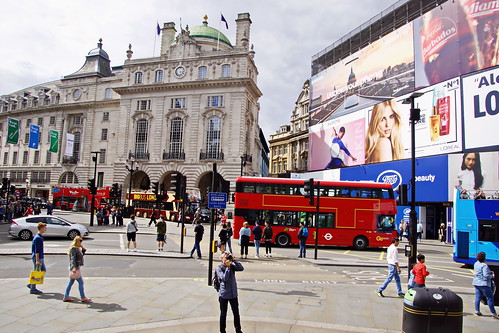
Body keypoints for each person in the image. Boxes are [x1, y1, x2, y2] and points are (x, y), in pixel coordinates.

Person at [365, 99, 404, 164]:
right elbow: (388, 173)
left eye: (391, 117)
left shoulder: (374, 145)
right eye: (382, 119)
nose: (387, 124)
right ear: (376, 121)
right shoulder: (384, 143)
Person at [216, 251, 244, 333]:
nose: (227, 259)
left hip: (233, 294)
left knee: (236, 313)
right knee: (223, 314)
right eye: (225, 257)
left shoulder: (232, 266)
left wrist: (234, 260)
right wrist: (227, 268)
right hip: (224, 294)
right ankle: (222, 330)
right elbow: (225, 279)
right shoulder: (219, 268)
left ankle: (238, 329)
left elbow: (241, 268)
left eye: (227, 257)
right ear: (222, 259)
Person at [63, 236, 91, 302]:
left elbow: (82, 254)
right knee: (81, 282)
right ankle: (83, 297)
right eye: (80, 241)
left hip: (75, 267)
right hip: (75, 267)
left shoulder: (77, 248)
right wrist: (74, 267)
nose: (81, 242)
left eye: (81, 240)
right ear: (77, 241)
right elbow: (73, 259)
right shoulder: (73, 249)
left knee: (70, 283)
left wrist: (82, 247)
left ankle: (66, 296)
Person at [473, 252, 499, 319]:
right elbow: (486, 275)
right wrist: (492, 275)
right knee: (490, 298)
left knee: (478, 297)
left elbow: (479, 272)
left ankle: (477, 311)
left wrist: (488, 272)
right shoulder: (484, 265)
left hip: (476, 283)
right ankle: (494, 313)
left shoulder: (476, 263)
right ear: (484, 258)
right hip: (484, 284)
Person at [29, 222, 47, 294]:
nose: (45, 229)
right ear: (41, 228)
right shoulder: (38, 238)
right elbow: (37, 250)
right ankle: (33, 288)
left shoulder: (38, 236)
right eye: (45, 228)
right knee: (37, 272)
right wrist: (37, 260)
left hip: (40, 257)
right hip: (38, 258)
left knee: (42, 270)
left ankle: (31, 284)